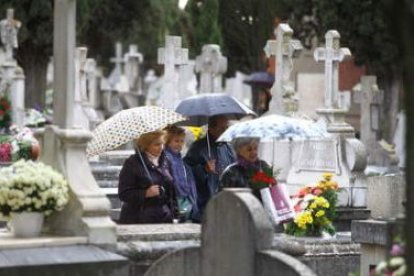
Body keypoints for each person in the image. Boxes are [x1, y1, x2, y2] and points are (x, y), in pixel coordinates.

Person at [118, 130, 177, 224]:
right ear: (146, 145)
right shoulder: (132, 163)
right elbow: (123, 194)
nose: (161, 148)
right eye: (157, 144)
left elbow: (171, 191)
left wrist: (174, 212)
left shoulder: (166, 161)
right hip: (139, 219)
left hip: (164, 218)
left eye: (162, 144)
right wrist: (145, 193)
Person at [184, 115, 236, 216]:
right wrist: (204, 169)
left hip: (225, 202)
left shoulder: (227, 147)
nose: (226, 131)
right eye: (222, 128)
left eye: (227, 128)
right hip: (205, 203)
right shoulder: (198, 147)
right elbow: (187, 170)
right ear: (211, 129)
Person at [164, 125, 200, 222]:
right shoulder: (166, 158)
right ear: (167, 142)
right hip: (175, 200)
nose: (179, 144)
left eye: (181, 141)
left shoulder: (180, 159)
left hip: (185, 199)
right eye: (176, 141)